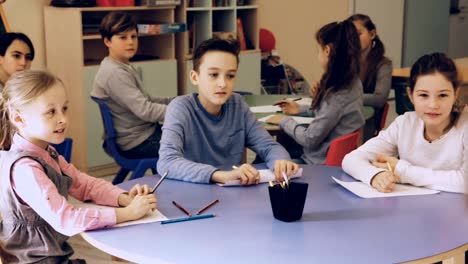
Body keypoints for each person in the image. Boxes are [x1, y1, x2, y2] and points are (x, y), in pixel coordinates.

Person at [0, 70, 157, 263]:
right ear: (18, 119)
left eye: (64, 109)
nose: (63, 119)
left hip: (53, 255)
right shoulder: (25, 169)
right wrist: (127, 213)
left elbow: (84, 184)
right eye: (51, 112)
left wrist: (124, 199)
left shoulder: (47, 153)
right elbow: (66, 218)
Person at [157, 37, 299, 185]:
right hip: (192, 193)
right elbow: (166, 162)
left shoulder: (237, 104)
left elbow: (268, 146)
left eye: (230, 76)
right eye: (213, 75)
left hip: (232, 194)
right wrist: (219, 175)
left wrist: (280, 161)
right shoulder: (180, 108)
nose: (223, 83)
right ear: (194, 77)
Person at [342, 53, 467, 193]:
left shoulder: (465, 128)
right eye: (423, 95)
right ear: (411, 95)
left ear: (455, 94)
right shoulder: (404, 124)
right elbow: (351, 160)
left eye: (443, 95)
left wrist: (402, 171)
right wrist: (375, 175)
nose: (433, 105)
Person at [266, 20, 365, 165]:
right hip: (331, 158)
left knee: (266, 156)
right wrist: (302, 109)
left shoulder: (337, 94)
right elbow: (331, 114)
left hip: (317, 163)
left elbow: (309, 139)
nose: (317, 55)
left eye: (318, 50)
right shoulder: (353, 82)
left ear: (327, 50)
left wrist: (283, 120)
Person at [91, 11, 171, 159]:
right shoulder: (114, 73)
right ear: (107, 41)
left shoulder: (121, 66)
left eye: (133, 37)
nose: (130, 42)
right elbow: (145, 111)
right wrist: (182, 111)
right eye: (123, 37)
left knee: (188, 135)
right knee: (192, 143)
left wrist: (175, 102)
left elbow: (146, 100)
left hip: (143, 134)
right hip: (137, 141)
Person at [347, 14, 393, 141]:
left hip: (367, 120)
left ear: (372, 34)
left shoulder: (383, 64)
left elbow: (379, 98)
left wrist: (347, 98)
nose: (354, 39)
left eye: (358, 34)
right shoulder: (346, 61)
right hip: (345, 114)